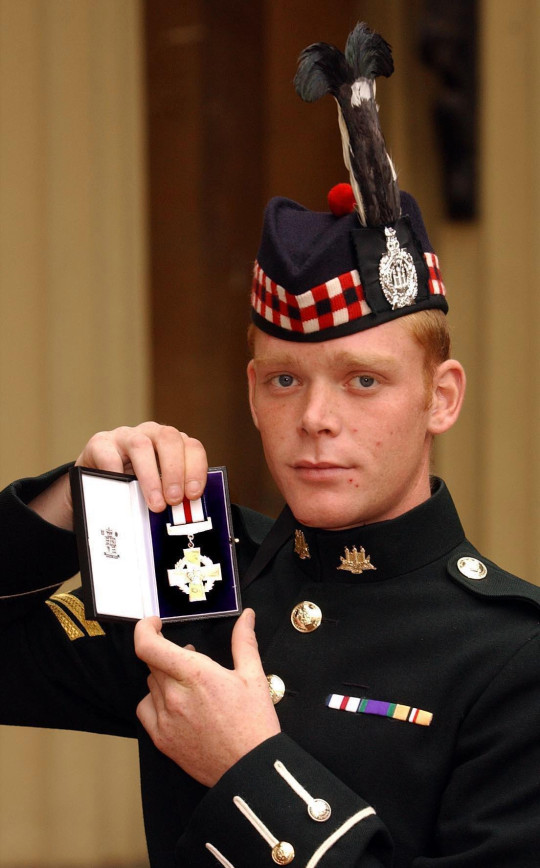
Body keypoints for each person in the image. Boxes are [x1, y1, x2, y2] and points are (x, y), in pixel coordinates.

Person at [2, 22, 540, 868]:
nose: (316, 418)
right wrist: (69, 501)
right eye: (286, 379)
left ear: (442, 398)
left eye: (363, 381)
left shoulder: (513, 658)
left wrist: (250, 766)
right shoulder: (195, 581)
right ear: (254, 393)